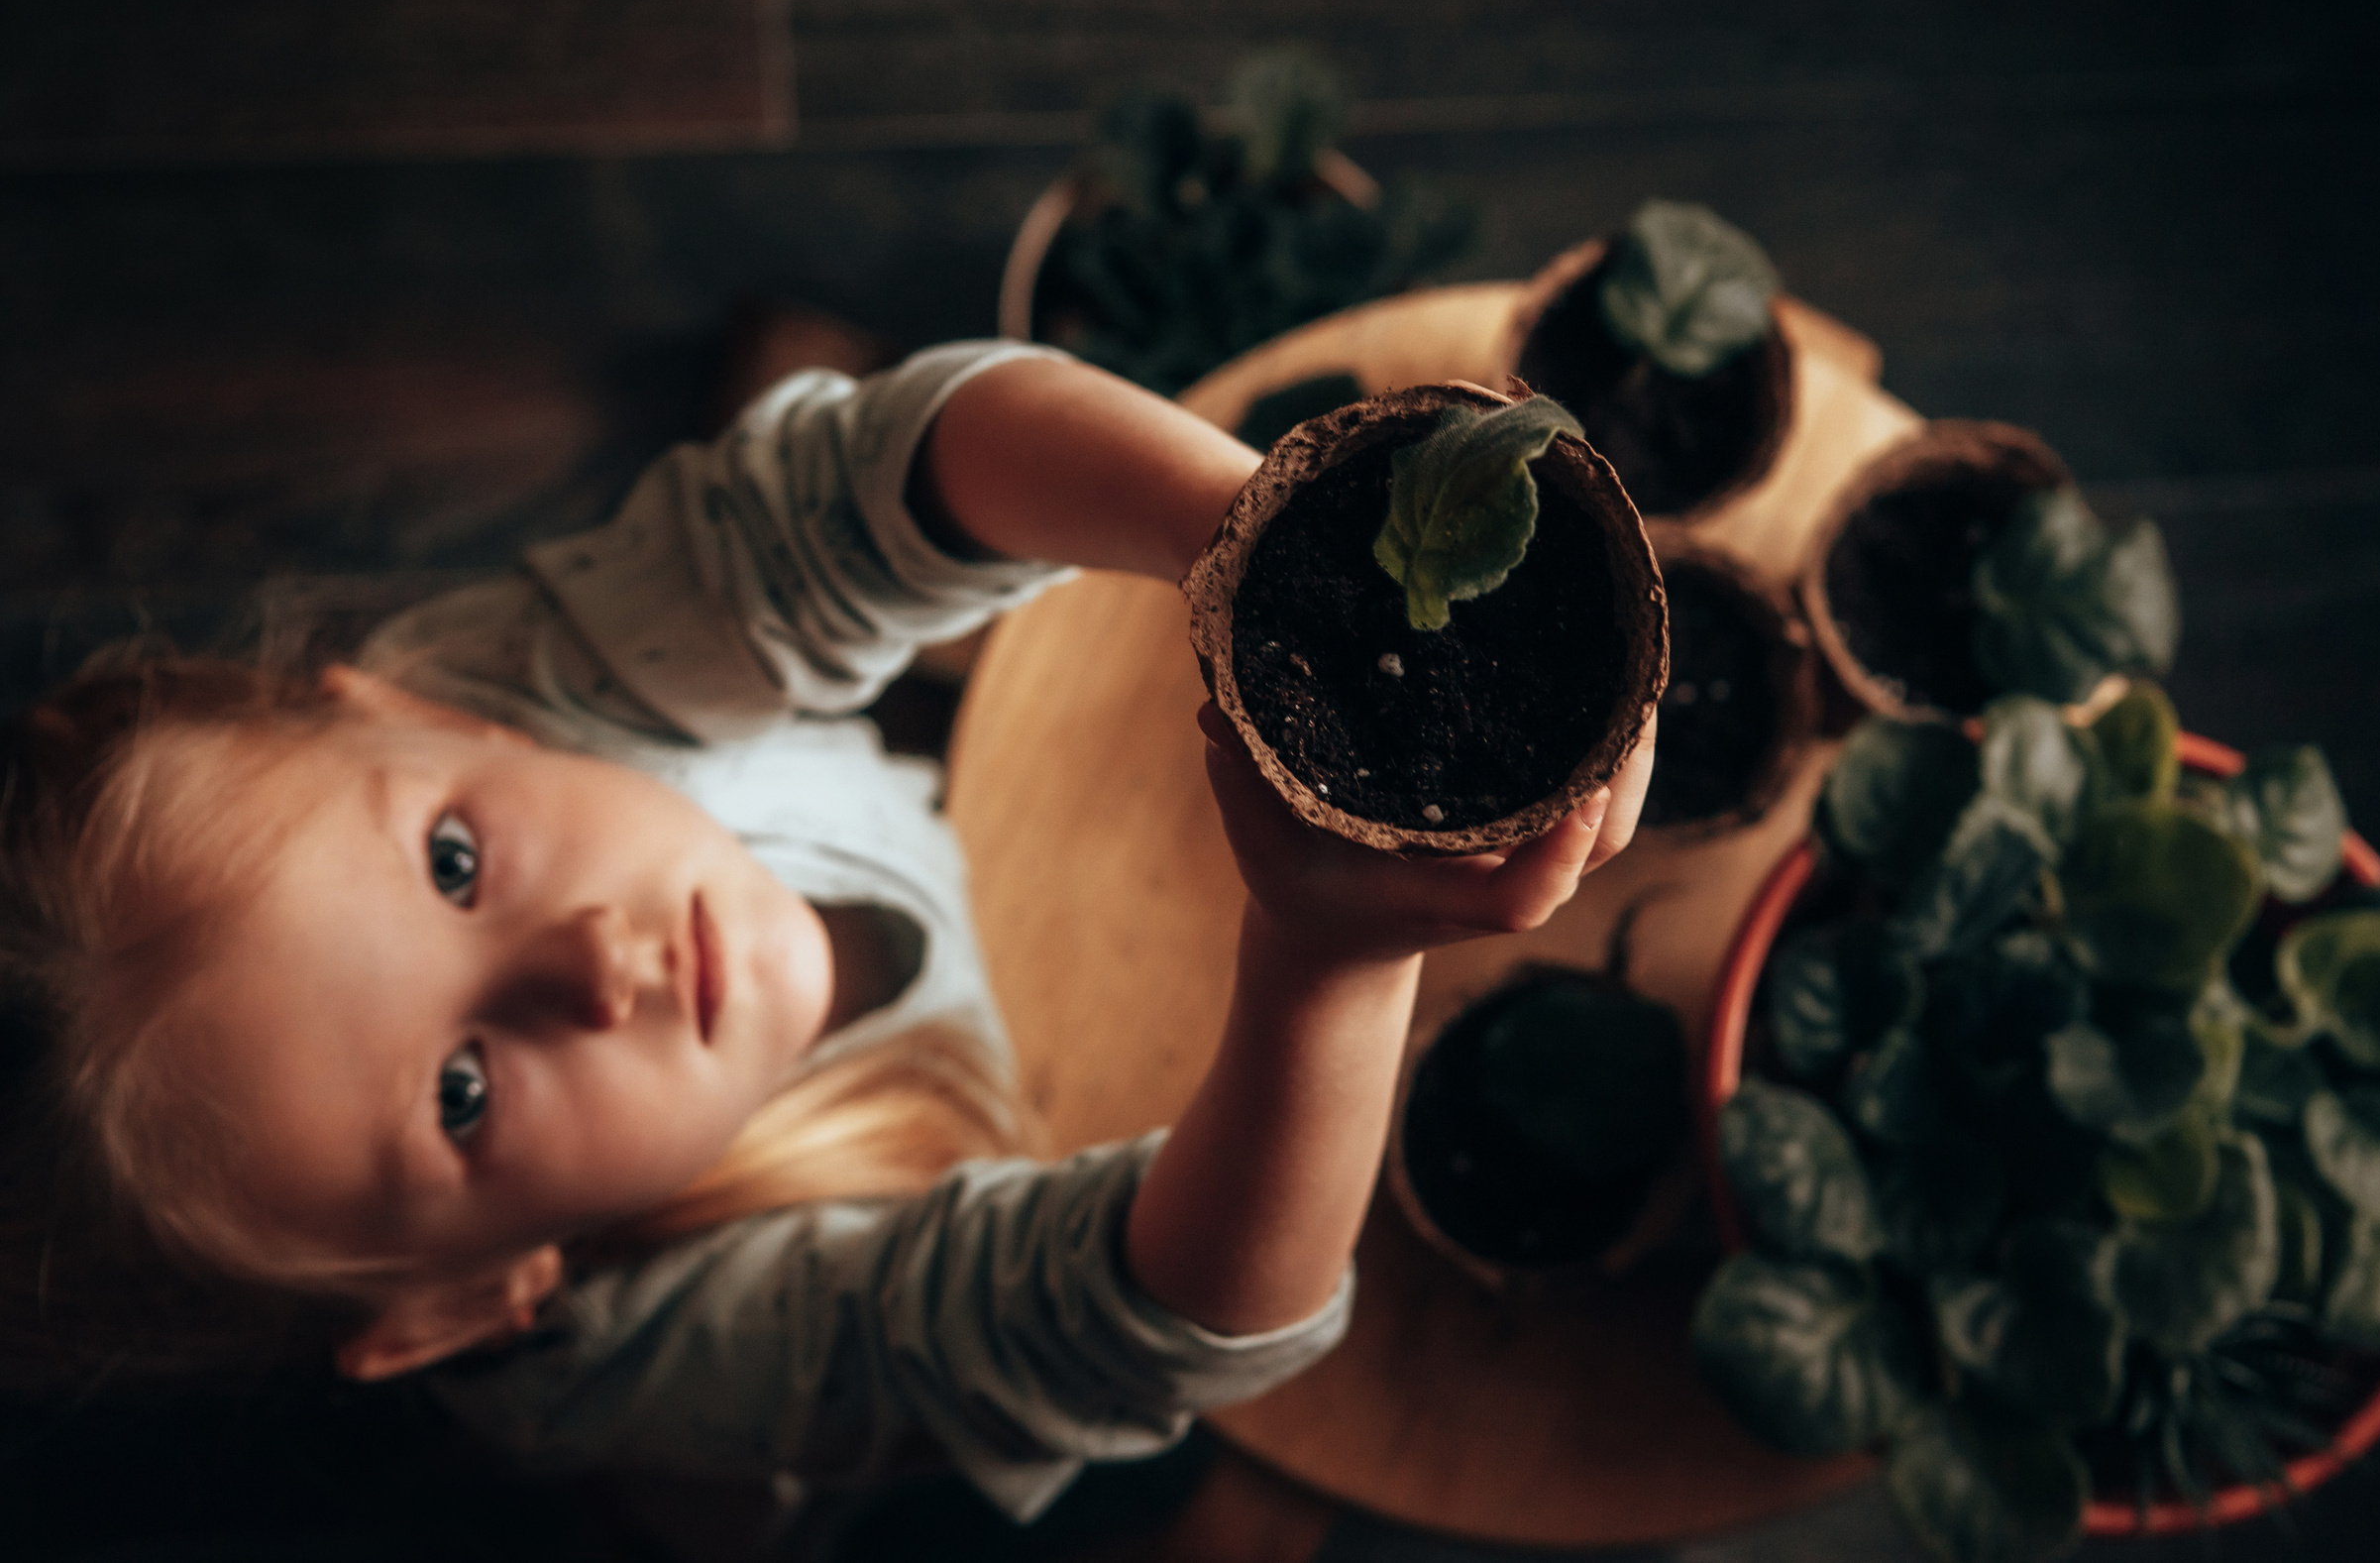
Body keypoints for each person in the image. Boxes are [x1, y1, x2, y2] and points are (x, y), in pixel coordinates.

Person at [0, 342, 1651, 1527]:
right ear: (467, 1301)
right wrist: (1328, 956)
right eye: (462, 1096)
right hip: (931, 1219)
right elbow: (1163, 1328)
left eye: (451, 862)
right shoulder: (643, 1339)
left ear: (438, 716)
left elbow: (856, 492)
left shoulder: (500, 675)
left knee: (827, 466)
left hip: (882, 791)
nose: (594, 965)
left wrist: (1252, 547)